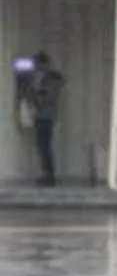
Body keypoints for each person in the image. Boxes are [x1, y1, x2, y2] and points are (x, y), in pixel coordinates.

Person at [26, 52, 64, 186]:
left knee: (45, 145)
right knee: (41, 145)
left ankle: (49, 174)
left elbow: (51, 94)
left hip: (47, 115)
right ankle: (45, 173)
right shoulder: (35, 78)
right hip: (38, 114)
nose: (37, 67)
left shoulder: (53, 77)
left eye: (39, 64)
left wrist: (39, 94)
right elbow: (31, 94)